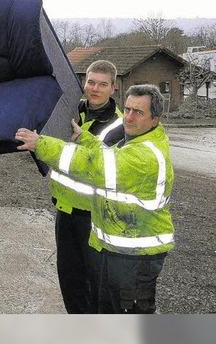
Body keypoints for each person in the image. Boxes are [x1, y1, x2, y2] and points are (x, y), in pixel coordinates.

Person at [15, 84, 174, 313]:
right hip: (121, 251)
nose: (128, 117)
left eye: (138, 112)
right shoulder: (136, 141)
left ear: (155, 119)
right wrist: (84, 138)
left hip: (137, 258)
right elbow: (106, 155)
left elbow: (94, 166)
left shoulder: (145, 155)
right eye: (127, 109)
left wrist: (41, 144)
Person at [49, 60, 124, 313]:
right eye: (91, 82)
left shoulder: (119, 126)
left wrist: (84, 140)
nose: (95, 88)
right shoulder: (70, 110)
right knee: (70, 281)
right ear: (84, 82)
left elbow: (107, 168)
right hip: (65, 211)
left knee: (96, 286)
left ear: (113, 87)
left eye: (102, 84)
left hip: (95, 218)